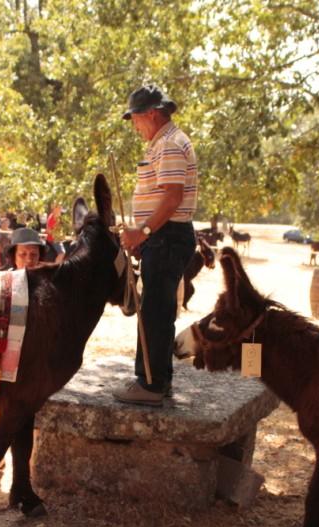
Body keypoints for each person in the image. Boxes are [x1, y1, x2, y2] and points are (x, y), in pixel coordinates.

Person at [113, 84, 198, 407]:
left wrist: (144, 231)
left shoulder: (171, 145)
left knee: (155, 312)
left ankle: (150, 384)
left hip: (166, 236)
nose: (134, 126)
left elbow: (172, 197)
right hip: (161, 237)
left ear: (150, 113)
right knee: (155, 309)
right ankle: (156, 379)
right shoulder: (163, 143)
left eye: (135, 118)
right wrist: (143, 234)